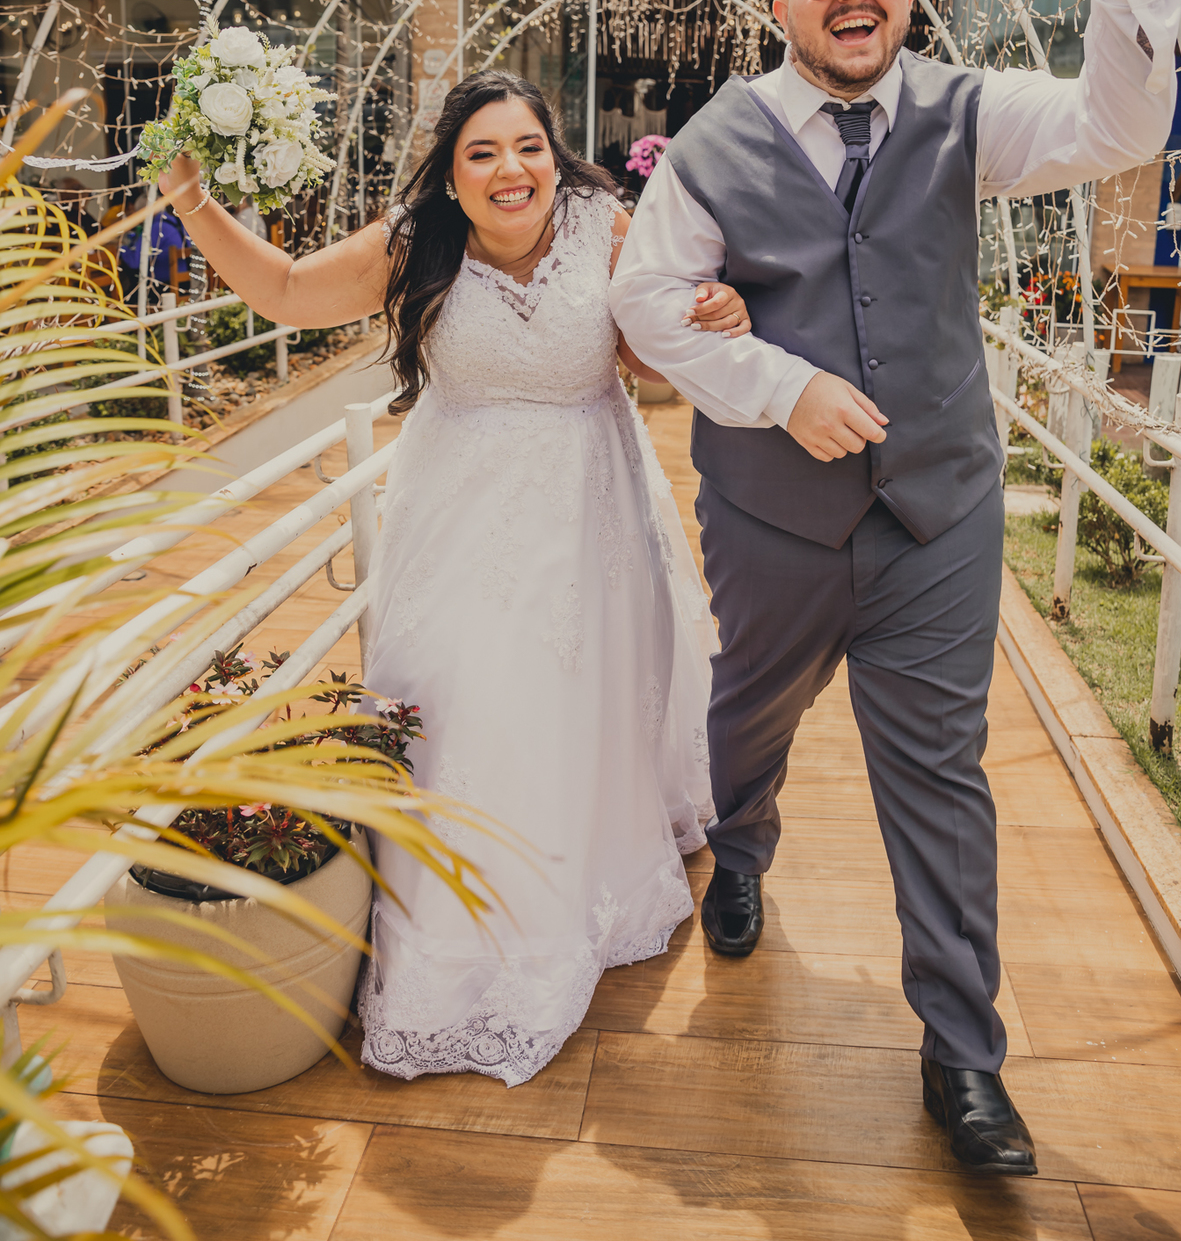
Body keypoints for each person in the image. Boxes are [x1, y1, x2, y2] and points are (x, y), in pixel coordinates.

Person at [610, 0, 1181, 1176]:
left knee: (937, 771)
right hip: (772, 514)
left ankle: (963, 1054)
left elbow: (1120, 128)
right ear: (782, 7)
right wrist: (779, 386)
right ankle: (739, 845)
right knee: (750, 709)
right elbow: (644, 303)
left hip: (939, 511)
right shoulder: (714, 141)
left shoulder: (966, 111)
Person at [157, 72, 747, 1086]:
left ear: (554, 156)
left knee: (580, 701)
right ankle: (462, 927)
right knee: (459, 704)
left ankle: (576, 881)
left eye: (528, 147)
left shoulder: (606, 227)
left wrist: (709, 314)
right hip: (457, 516)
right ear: (451, 173)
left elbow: (649, 362)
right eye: (483, 152)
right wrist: (191, 200)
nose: (510, 170)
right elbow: (287, 293)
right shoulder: (411, 242)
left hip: (591, 506)